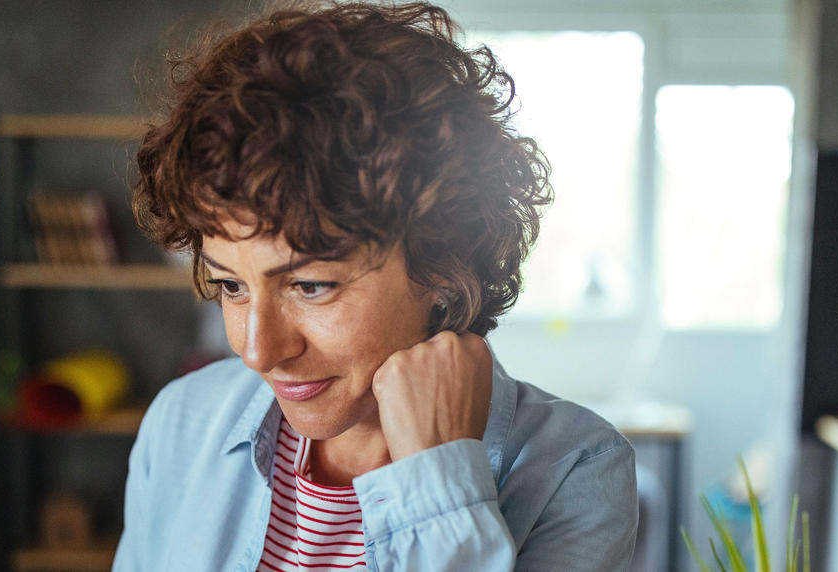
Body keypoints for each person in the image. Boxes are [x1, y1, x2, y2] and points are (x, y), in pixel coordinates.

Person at [116, 2, 638, 570]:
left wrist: (439, 478)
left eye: (311, 286)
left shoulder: (575, 469)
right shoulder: (182, 422)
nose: (258, 350)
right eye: (230, 287)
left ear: (443, 263)